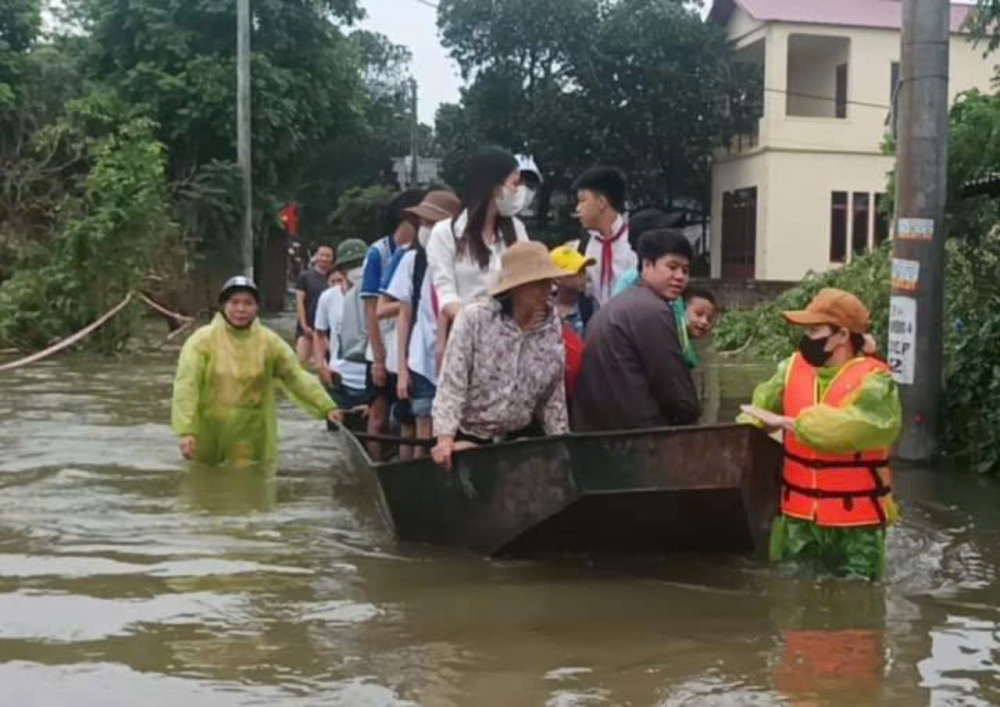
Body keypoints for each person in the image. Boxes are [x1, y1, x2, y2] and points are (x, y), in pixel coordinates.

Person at [738, 288, 902, 582]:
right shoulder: (790, 369)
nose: (806, 338)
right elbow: (754, 413)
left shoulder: (876, 381)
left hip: (857, 525)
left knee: (859, 604)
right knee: (792, 602)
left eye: (814, 330)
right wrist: (742, 434)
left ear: (841, 335)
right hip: (797, 519)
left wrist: (787, 422)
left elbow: (854, 427)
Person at [171, 277, 341, 468]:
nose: (241, 309)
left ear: (257, 308)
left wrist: (327, 406)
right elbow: (186, 386)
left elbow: (295, 377)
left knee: (250, 489)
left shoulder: (269, 342)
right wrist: (186, 430)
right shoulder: (202, 341)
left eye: (248, 303)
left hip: (252, 434)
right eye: (234, 302)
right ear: (223, 306)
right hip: (210, 432)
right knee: (206, 488)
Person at [431, 242, 570, 470]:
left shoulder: (551, 326)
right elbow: (452, 384)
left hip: (519, 439)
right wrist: (445, 439)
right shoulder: (475, 319)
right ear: (517, 287)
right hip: (471, 436)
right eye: (538, 284)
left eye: (549, 283)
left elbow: (553, 395)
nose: (547, 291)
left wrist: (561, 443)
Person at [571, 230, 701, 432]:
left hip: (597, 430)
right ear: (647, 266)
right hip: (632, 433)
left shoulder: (624, 302)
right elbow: (672, 384)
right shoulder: (652, 310)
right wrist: (692, 418)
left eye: (685, 270)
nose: (680, 277)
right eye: (672, 267)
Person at [426, 146, 531, 367]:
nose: (519, 191)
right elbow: (446, 294)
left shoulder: (517, 230)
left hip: (513, 344)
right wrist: (478, 326)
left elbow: (528, 282)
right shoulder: (446, 233)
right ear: (494, 187)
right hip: (466, 344)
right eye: (514, 183)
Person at [383, 190, 462, 460]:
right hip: (422, 359)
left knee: (453, 431)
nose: (425, 230)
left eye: (432, 224)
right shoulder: (412, 261)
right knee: (422, 426)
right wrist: (402, 368)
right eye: (423, 224)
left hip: (458, 358)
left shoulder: (464, 263)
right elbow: (404, 315)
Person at [361, 188, 426, 456]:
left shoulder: (419, 253)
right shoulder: (378, 253)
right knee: (378, 418)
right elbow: (371, 309)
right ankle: (375, 464)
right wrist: (377, 358)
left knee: (405, 419)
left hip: (407, 349)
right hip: (381, 347)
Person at [313, 239, 370, 411]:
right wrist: (320, 365)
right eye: (349, 265)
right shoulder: (328, 297)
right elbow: (319, 332)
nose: (354, 270)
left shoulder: (376, 297)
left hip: (370, 378)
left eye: (359, 263)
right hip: (338, 378)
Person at [573, 166, 635, 305]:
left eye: (583, 201)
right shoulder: (583, 246)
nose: (578, 208)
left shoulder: (633, 241)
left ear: (601, 202)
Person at [549, 245, 595, 405]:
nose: (582, 277)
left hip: (584, 384)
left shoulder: (590, 307)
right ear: (557, 278)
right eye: (577, 272)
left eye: (583, 271)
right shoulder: (545, 310)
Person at [295, 243, 335, 364]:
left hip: (327, 330)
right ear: (316, 257)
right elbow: (299, 302)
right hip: (307, 327)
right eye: (322, 255)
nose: (325, 258)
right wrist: (303, 325)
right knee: (302, 363)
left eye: (328, 256)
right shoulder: (305, 277)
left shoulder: (333, 278)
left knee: (325, 364)